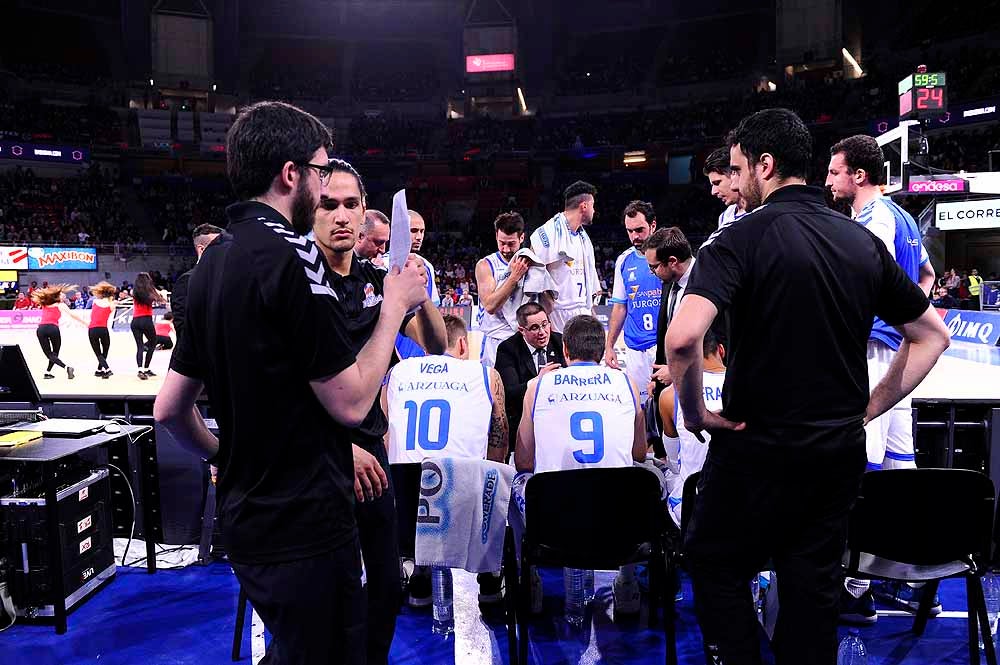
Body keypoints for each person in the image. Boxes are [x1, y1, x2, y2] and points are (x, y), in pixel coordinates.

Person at [666, 107, 951, 665]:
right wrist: (869, 410)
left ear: (764, 166)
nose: (736, 182)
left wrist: (696, 415)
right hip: (834, 452)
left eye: (739, 168)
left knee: (712, 559)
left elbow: (682, 341)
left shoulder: (735, 239)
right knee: (812, 590)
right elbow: (932, 336)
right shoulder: (860, 241)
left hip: (757, 448)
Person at [153, 100, 429, 665]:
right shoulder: (293, 257)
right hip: (305, 519)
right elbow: (351, 401)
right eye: (322, 172)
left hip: (247, 520)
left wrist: (226, 455)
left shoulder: (210, 264)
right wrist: (394, 307)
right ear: (291, 174)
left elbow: (168, 410)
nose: (327, 189)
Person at [311, 157, 446, 659]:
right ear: (312, 210)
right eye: (329, 204)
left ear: (365, 211)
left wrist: (417, 289)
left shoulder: (375, 281)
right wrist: (336, 447)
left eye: (350, 204)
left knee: (388, 585)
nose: (341, 215)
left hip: (373, 454)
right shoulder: (301, 281)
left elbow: (435, 343)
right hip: (320, 457)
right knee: (329, 595)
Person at [827, 134, 942, 622]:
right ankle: (921, 575)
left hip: (874, 352)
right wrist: (905, 324)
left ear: (858, 176)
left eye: (834, 172)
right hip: (902, 353)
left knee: (864, 471)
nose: (828, 180)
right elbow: (928, 278)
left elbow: (863, 287)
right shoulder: (904, 219)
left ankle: (855, 587)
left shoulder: (871, 221)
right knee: (901, 467)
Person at [514, 314, 647, 614]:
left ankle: (530, 580)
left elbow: (524, 461)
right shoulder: (626, 382)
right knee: (647, 475)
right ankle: (627, 581)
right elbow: (639, 453)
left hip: (554, 523)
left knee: (513, 477)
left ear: (565, 351)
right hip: (618, 521)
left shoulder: (538, 386)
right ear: (602, 352)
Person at [384, 313, 509, 606]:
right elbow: (499, 440)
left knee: (407, 471)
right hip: (462, 495)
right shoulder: (484, 374)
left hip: (409, 501)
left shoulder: (396, 374)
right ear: (463, 344)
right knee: (491, 475)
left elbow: (385, 437)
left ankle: (419, 570)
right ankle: (489, 579)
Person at [657, 331, 726, 528]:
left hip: (692, 507)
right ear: (721, 350)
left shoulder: (670, 396)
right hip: (743, 504)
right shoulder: (747, 390)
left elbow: (673, 462)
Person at [604, 200, 661, 405]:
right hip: (635, 348)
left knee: (667, 406)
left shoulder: (670, 255)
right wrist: (609, 346)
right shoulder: (624, 261)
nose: (635, 237)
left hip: (663, 346)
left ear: (653, 225)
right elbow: (620, 307)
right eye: (630, 231)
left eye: (639, 230)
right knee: (640, 408)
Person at [494, 302, 566, 453]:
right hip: (522, 421)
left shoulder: (561, 341)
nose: (542, 332)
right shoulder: (507, 349)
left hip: (558, 419)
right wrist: (538, 381)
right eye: (534, 328)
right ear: (522, 330)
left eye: (545, 324)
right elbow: (509, 393)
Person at [529, 181, 600, 333]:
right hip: (558, 314)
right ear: (584, 206)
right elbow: (533, 279)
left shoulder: (583, 237)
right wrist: (545, 314)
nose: (594, 210)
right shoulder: (547, 233)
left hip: (582, 311)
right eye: (593, 205)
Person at [643, 227, 695, 403]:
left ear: (672, 261)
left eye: (654, 267)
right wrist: (657, 379)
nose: (652, 273)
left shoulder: (709, 282)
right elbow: (665, 336)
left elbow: (715, 346)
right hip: (667, 386)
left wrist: (676, 371)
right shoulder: (669, 281)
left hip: (699, 388)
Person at [476, 212, 530, 367]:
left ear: (521, 238)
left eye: (511, 243)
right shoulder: (486, 265)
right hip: (495, 342)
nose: (505, 249)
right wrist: (513, 278)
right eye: (501, 243)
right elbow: (490, 306)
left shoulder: (531, 262)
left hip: (522, 340)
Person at [169, 224, 224, 342]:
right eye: (220, 247)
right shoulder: (187, 281)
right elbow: (183, 329)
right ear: (202, 249)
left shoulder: (225, 278)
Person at [31, 284, 85, 379]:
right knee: (55, 352)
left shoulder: (45, 304)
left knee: (50, 354)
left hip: (41, 329)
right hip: (53, 328)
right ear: (56, 297)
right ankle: (66, 368)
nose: (64, 297)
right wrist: (86, 323)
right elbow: (73, 315)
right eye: (62, 296)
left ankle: (48, 372)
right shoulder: (61, 305)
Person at [701, 146, 748, 247]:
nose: (713, 192)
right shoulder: (725, 216)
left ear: (734, 174)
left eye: (717, 183)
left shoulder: (761, 212)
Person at [131, 272, 165, 380]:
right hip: (146, 319)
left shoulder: (135, 292)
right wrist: (161, 293)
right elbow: (161, 301)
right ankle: (146, 368)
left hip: (135, 321)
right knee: (153, 342)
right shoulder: (151, 291)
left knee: (140, 346)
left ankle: (140, 369)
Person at [408, 209, 440, 306]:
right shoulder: (384, 263)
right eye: (413, 231)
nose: (419, 237)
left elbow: (433, 304)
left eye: (422, 231)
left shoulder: (427, 265)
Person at [88, 281, 117, 378]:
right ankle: (106, 369)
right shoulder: (112, 304)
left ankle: (100, 370)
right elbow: (112, 309)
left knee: (98, 352)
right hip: (103, 329)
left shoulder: (95, 301)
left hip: (92, 329)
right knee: (105, 350)